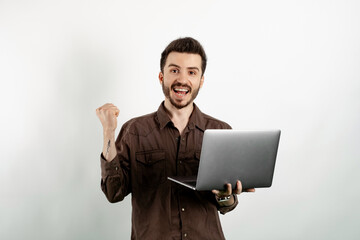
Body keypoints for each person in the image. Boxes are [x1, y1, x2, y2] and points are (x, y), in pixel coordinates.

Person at [96, 37, 255, 240]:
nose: (182, 79)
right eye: (174, 70)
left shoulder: (221, 131)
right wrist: (108, 132)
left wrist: (226, 197)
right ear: (162, 77)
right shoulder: (134, 131)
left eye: (191, 72)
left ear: (201, 81)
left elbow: (226, 205)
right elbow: (113, 192)